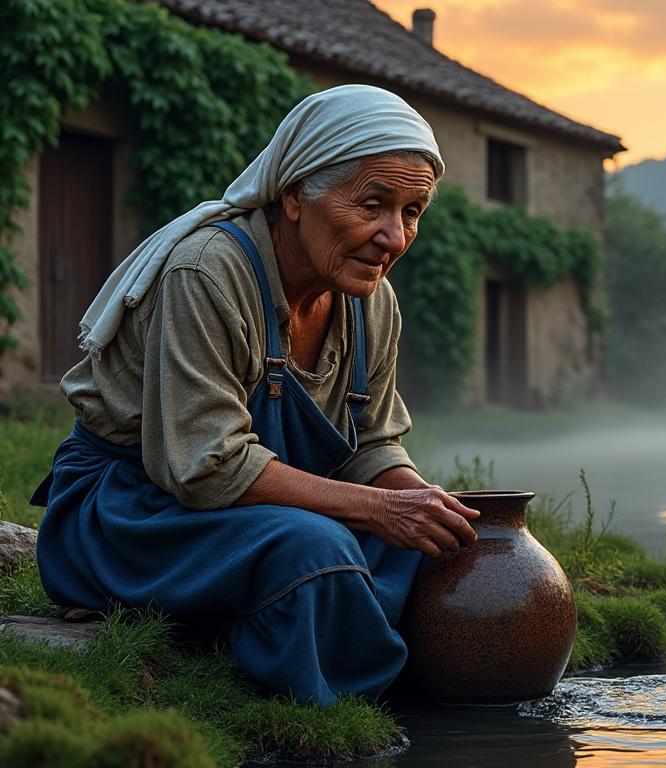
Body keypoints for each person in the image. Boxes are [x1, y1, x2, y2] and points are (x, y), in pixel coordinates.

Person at [31, 85, 482, 706]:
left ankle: (259, 624)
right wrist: (377, 511)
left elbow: (373, 444)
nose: (393, 238)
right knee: (317, 548)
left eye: (411, 212)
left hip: (248, 510)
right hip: (137, 509)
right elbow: (204, 465)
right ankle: (349, 693)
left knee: (438, 546)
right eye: (372, 205)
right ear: (294, 195)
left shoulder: (371, 301)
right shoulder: (208, 273)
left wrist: (425, 507)